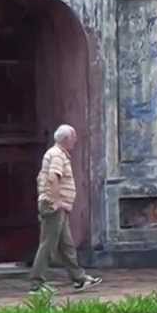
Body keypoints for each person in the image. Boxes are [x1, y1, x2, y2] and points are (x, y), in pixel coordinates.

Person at [29, 125, 102, 292]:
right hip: (54, 206)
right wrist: (55, 202)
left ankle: (79, 278)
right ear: (66, 139)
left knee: (66, 245)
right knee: (48, 244)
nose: (75, 141)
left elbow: (41, 177)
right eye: (73, 138)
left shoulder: (58, 154)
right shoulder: (56, 155)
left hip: (58, 207)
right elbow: (52, 177)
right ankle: (36, 283)